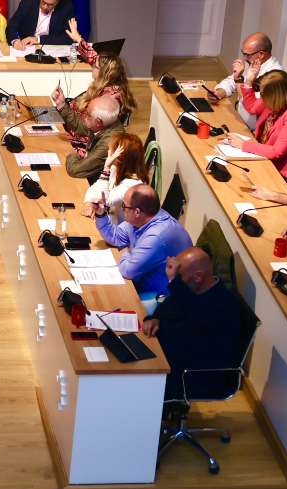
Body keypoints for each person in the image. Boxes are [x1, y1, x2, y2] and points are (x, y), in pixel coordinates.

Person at [142, 247, 242, 399]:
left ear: (197, 277)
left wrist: (174, 282)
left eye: (180, 277)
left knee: (132, 378)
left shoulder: (222, 305)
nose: (177, 283)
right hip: (169, 358)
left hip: (194, 376)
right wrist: (154, 319)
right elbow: (170, 306)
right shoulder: (192, 291)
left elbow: (194, 320)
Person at [91, 183, 193, 313]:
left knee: (103, 304)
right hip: (142, 284)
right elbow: (117, 237)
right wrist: (101, 215)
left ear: (137, 212)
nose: (122, 210)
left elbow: (128, 270)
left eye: (124, 206)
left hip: (161, 301)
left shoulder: (156, 236)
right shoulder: (145, 217)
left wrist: (125, 250)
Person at [223, 69, 287, 185]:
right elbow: (252, 107)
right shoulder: (277, 100)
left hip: (285, 173)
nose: (261, 98)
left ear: (275, 95)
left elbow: (276, 151)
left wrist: (243, 144)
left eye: (263, 94)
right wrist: (248, 82)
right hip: (265, 158)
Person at [52, 46, 137, 132]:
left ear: (104, 72)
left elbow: (87, 129)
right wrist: (61, 104)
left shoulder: (109, 98)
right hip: (69, 122)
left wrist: (62, 106)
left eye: (95, 66)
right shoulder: (103, 87)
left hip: (78, 136)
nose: (92, 67)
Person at [211, 32, 283, 129]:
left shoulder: (274, 76)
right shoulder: (254, 63)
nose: (244, 58)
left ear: (261, 54)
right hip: (239, 118)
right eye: (243, 53)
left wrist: (238, 80)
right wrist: (219, 92)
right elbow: (230, 81)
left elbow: (249, 107)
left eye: (247, 54)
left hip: (252, 129)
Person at [81, 133, 147, 221]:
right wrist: (90, 203)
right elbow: (93, 189)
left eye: (111, 150)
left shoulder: (132, 185)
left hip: (118, 231)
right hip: (109, 223)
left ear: (120, 157)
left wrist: (106, 169)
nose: (108, 152)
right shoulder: (115, 169)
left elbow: (106, 202)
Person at [63, 95, 125, 180]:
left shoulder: (109, 143)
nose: (83, 116)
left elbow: (75, 170)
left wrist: (72, 155)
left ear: (98, 122)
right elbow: (80, 126)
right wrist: (61, 105)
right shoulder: (108, 122)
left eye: (87, 114)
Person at [6, 0, 75, 49]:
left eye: (50, 5)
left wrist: (38, 39)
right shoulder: (26, 4)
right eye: (43, 1)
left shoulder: (67, 8)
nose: (45, 6)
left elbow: (68, 37)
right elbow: (11, 27)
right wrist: (15, 41)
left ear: (58, 0)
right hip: (27, 48)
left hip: (52, 50)